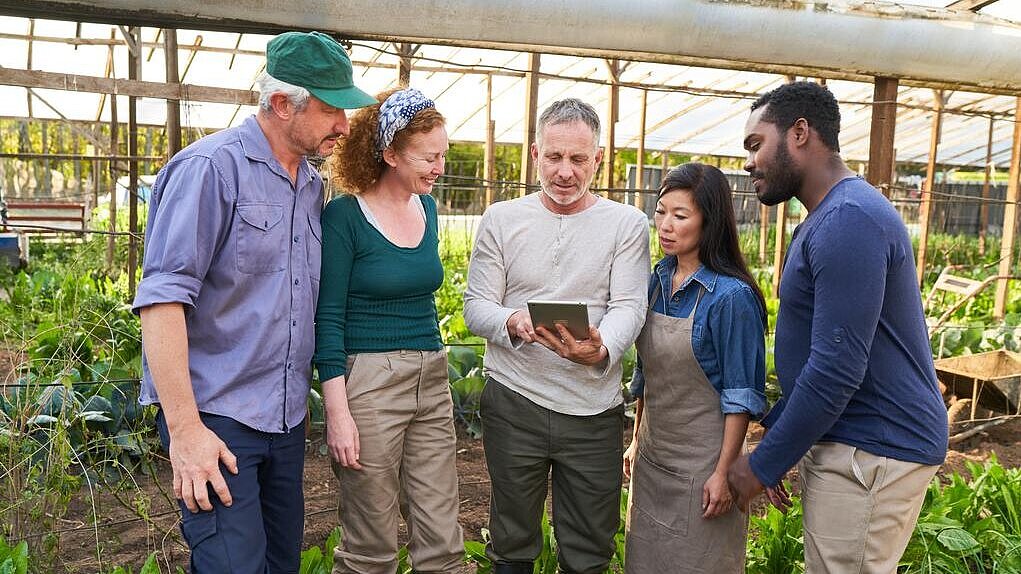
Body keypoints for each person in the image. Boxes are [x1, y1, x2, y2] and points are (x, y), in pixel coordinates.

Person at [133, 31, 375, 573]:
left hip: (284, 420)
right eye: (332, 109)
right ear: (283, 104)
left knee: (280, 564)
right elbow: (162, 303)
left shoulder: (309, 186)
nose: (344, 125)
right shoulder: (210, 169)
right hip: (218, 419)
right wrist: (186, 430)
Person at [727, 81, 948, 573]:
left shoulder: (849, 219)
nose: (748, 162)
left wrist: (763, 463)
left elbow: (837, 368)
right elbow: (825, 352)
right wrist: (784, 433)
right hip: (855, 439)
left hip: (871, 448)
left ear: (799, 133)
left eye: (755, 144)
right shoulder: (834, 214)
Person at [464, 98, 650, 574]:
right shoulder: (501, 219)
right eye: (554, 156)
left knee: (589, 545)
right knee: (511, 540)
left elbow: (630, 305)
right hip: (515, 400)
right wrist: (513, 320)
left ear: (598, 159)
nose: (565, 171)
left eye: (579, 159)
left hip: (593, 409)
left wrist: (601, 347)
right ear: (535, 154)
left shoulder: (626, 224)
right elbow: (476, 306)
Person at [314, 87, 463, 574]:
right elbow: (328, 317)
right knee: (370, 546)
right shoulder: (345, 216)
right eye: (429, 157)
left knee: (443, 542)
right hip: (369, 384)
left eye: (443, 154)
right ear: (390, 154)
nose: (439, 167)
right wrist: (338, 413)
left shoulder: (428, 209)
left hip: (431, 377)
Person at [622, 163, 766, 573]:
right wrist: (636, 441)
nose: (666, 225)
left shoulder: (731, 298)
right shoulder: (657, 279)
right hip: (652, 465)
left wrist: (724, 473)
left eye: (680, 216)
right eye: (661, 211)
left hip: (704, 473)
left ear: (709, 221)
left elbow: (740, 397)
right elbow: (647, 376)